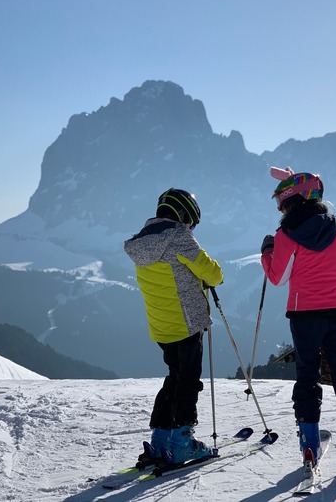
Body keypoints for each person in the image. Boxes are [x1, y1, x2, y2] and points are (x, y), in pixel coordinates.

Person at [260, 166, 336, 470]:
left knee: (308, 375)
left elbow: (277, 278)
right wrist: (331, 288)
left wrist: (267, 252)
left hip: (303, 315)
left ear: (291, 203)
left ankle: (309, 443)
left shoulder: (287, 235)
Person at [124, 187, 224, 464]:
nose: (190, 227)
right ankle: (182, 441)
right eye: (190, 221)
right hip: (187, 323)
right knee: (188, 381)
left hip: (162, 328)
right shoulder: (179, 237)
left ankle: (159, 439)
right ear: (183, 214)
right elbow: (212, 273)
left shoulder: (142, 243)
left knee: (174, 377)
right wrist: (211, 276)